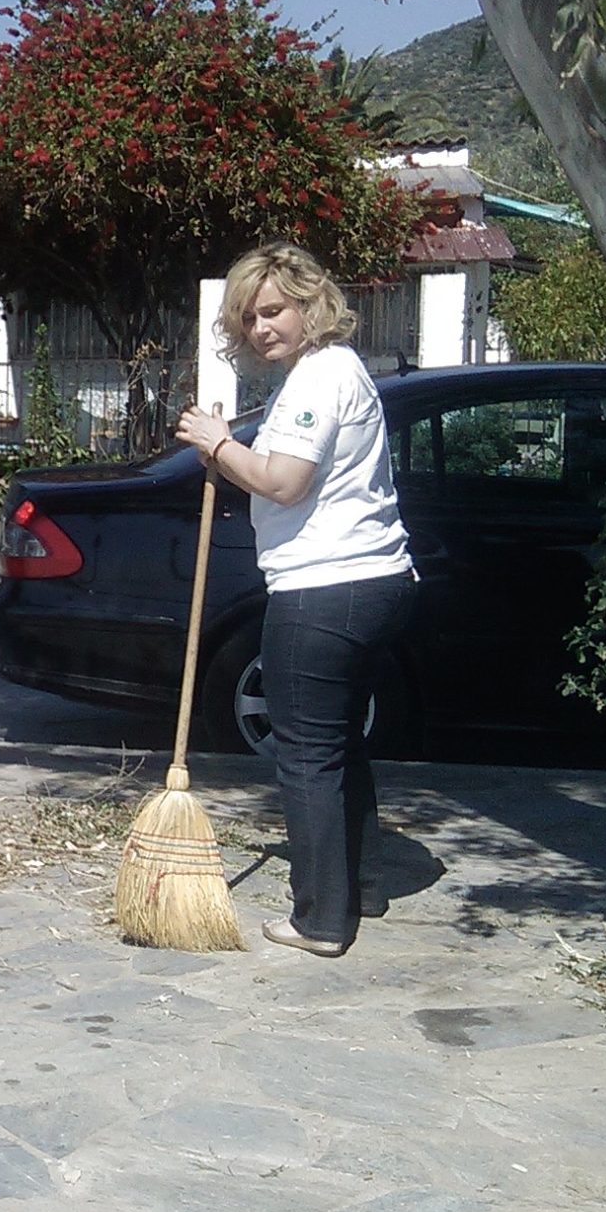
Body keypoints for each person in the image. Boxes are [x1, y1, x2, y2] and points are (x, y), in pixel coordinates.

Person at [174, 243, 416, 957]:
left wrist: (218, 445)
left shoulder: (319, 376)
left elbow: (284, 482)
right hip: (371, 582)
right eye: (249, 317)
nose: (261, 327)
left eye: (274, 310)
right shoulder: (335, 370)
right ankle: (361, 886)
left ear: (311, 305)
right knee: (338, 742)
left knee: (306, 753)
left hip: (324, 589)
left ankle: (320, 920)